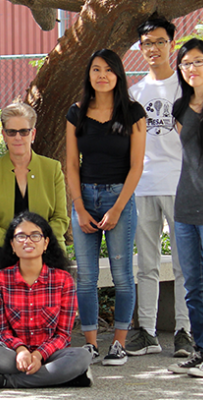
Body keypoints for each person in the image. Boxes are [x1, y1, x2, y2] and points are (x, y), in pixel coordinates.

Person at [66, 49, 146, 367]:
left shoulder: (133, 112)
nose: (102, 75)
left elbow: (137, 166)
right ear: (89, 75)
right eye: (96, 69)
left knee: (122, 276)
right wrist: (79, 208)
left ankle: (118, 345)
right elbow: (72, 165)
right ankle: (90, 345)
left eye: (108, 70)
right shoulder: (76, 112)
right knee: (85, 277)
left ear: (118, 75)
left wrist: (117, 209)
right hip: (84, 198)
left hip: (119, 199)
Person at [127, 17, 194, 358]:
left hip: (183, 186)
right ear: (140, 47)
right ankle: (148, 332)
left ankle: (185, 330)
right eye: (147, 43)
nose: (153, 48)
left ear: (172, 43)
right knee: (147, 263)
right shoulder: (134, 93)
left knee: (185, 263)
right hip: (143, 187)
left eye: (159, 41)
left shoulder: (187, 87)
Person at [0, 212, 92, 390]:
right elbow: (0, 331)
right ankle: (60, 377)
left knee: (82, 356)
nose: (28, 241)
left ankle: (7, 381)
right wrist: (21, 350)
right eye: (21, 236)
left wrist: (39, 355)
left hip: (51, 355)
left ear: (45, 243)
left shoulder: (63, 280)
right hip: (12, 354)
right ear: (12, 245)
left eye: (35, 236)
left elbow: (63, 335)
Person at [0, 101, 69, 273]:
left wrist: (37, 242)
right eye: (12, 132)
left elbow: (60, 219)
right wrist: (15, 243)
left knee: (47, 268)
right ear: (4, 135)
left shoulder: (52, 169)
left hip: (46, 245)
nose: (18, 137)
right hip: (2, 245)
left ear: (32, 134)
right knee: (10, 268)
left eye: (24, 132)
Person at [168, 38, 203, 377]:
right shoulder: (179, 108)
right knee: (193, 283)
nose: (191, 68)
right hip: (186, 205)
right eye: (186, 63)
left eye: (198, 61)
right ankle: (200, 351)